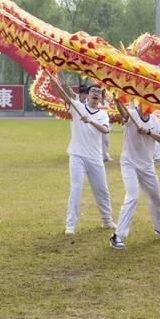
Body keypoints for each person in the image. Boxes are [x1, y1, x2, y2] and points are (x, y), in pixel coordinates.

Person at [50, 78, 115, 235]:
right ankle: (70, 224)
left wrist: (90, 120)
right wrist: (56, 84)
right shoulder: (77, 107)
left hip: (95, 157)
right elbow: (65, 96)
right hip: (77, 155)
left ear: (101, 98)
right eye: (93, 91)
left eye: (99, 93)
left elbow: (105, 130)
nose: (96, 94)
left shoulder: (102, 115)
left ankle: (107, 220)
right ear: (87, 95)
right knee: (76, 189)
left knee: (102, 190)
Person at [109, 99, 160, 250]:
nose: (149, 106)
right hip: (129, 163)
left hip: (147, 165)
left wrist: (148, 132)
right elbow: (122, 111)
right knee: (132, 197)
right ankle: (117, 236)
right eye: (146, 103)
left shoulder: (154, 120)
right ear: (139, 103)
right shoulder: (131, 115)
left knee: (157, 198)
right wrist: (116, 98)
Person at [100, 89, 113, 162]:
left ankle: (105, 156)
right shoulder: (96, 102)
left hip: (106, 123)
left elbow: (110, 110)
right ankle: (101, 156)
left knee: (106, 141)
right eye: (104, 93)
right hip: (97, 123)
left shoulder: (106, 102)